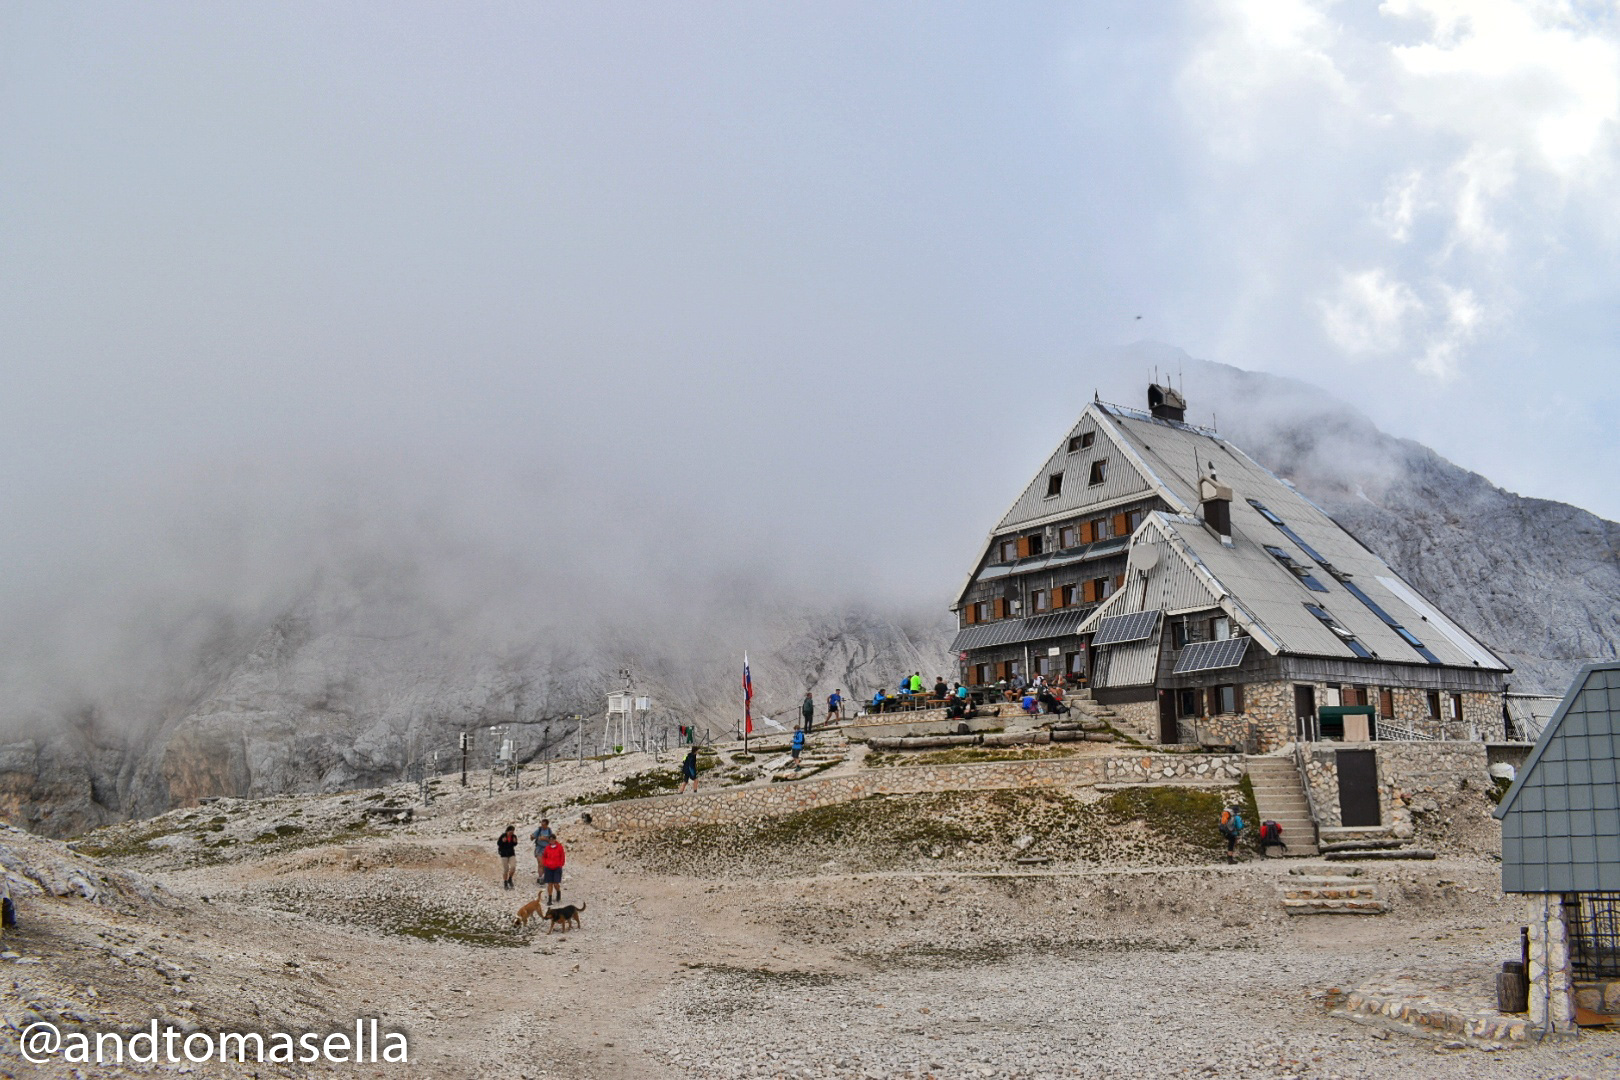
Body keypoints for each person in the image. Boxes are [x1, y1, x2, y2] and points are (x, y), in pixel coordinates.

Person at [540, 835, 566, 904]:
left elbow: (562, 856)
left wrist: (560, 864)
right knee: (550, 884)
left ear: (554, 839)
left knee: (556, 883)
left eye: (552, 839)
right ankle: (550, 899)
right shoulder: (547, 848)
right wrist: (545, 864)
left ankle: (558, 892)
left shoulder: (560, 847)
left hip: (557, 867)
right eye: (550, 839)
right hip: (548, 867)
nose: (551, 840)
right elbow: (544, 856)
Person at [530, 818, 555, 884]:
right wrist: (532, 836)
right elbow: (532, 838)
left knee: (544, 864)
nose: (542, 826)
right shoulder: (539, 830)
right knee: (540, 863)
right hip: (539, 848)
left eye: (543, 825)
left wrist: (545, 838)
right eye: (541, 824)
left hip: (547, 849)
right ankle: (541, 877)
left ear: (547, 825)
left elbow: (552, 840)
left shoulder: (549, 831)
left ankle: (543, 876)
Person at [496, 826, 519, 890]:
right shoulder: (503, 836)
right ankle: (505, 882)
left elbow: (515, 844)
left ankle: (510, 878)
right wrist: (503, 841)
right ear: (507, 831)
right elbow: (498, 843)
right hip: (504, 854)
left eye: (512, 831)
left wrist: (515, 842)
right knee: (506, 869)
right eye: (510, 832)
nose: (511, 833)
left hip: (511, 854)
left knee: (513, 867)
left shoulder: (514, 836)